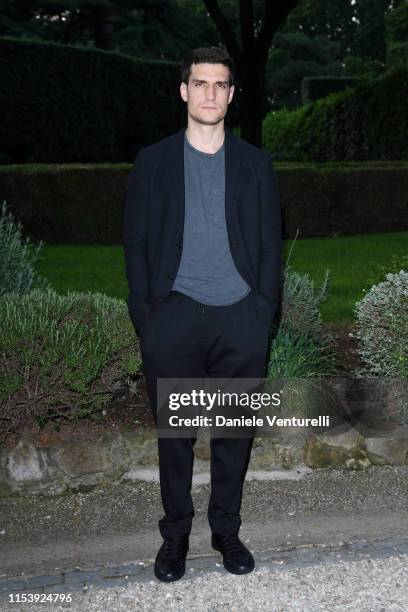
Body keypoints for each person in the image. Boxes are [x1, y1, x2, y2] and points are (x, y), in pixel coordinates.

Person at [124, 46, 282, 583]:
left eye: (220, 84)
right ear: (184, 90)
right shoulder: (153, 161)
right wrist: (149, 315)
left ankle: (226, 531)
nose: (210, 93)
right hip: (174, 316)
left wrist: (262, 311)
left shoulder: (256, 165)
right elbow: (137, 244)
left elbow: (268, 247)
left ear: (232, 94)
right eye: (201, 83)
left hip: (241, 314)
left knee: (234, 433)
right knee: (176, 435)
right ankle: (174, 539)